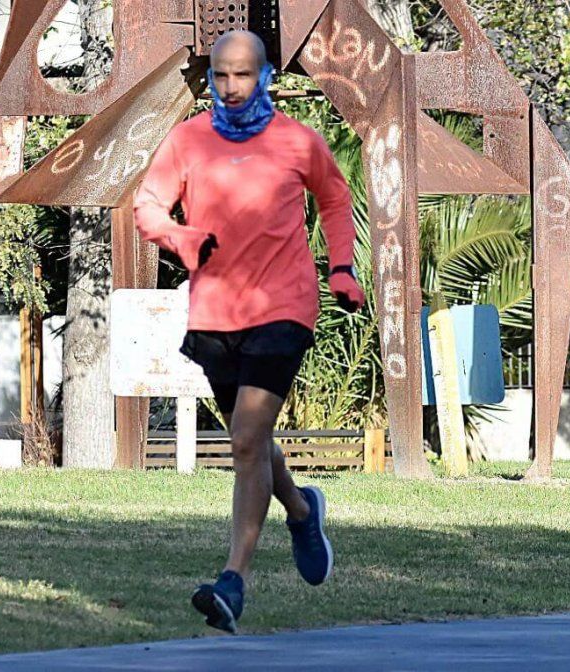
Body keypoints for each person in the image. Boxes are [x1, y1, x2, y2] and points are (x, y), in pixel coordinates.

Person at [133, 29, 365, 634]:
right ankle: (300, 507)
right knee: (249, 439)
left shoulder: (297, 140)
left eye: (244, 75)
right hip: (215, 312)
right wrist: (179, 238)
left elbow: (336, 201)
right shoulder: (187, 141)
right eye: (222, 77)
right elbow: (147, 206)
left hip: (284, 305)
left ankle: (233, 580)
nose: (232, 88)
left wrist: (340, 267)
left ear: (266, 78)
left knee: (244, 438)